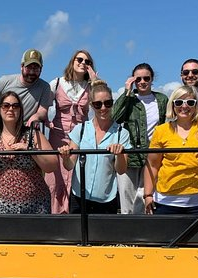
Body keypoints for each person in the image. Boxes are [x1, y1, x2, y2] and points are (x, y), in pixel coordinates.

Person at [0, 92, 58, 214]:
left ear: (20, 110)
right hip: (0, 205)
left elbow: (52, 165)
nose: (10, 109)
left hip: (36, 205)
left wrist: (31, 151)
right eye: (6, 105)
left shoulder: (33, 135)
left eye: (15, 106)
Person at [142, 85, 198, 214]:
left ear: (196, 105)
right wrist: (148, 195)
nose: (184, 106)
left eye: (190, 102)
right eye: (179, 102)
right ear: (172, 105)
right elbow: (153, 165)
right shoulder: (161, 131)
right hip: (167, 202)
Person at [58, 81, 130, 214]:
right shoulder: (80, 130)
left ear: (112, 103)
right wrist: (65, 157)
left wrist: (119, 154)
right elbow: (69, 165)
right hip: (79, 196)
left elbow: (121, 170)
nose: (103, 108)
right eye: (98, 104)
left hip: (106, 200)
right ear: (91, 105)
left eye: (107, 103)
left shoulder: (122, 133)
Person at [111, 63, 169, 214]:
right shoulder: (129, 99)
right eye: (138, 79)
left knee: (145, 198)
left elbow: (166, 125)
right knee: (127, 199)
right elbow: (114, 118)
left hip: (152, 157)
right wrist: (126, 92)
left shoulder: (162, 100)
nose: (142, 82)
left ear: (152, 79)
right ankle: (127, 235)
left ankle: (142, 234)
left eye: (146, 78)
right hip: (130, 156)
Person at [46, 49, 98, 214]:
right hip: (58, 135)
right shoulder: (57, 83)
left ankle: (74, 216)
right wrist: (46, 120)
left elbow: (103, 103)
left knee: (76, 175)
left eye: (87, 61)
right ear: (72, 61)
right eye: (80, 60)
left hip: (81, 137)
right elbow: (43, 104)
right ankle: (55, 216)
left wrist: (95, 80)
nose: (83, 63)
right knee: (56, 176)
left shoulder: (91, 86)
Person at [0, 49, 53, 126]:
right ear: (22, 66)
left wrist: (36, 116)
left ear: (41, 69)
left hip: (27, 128)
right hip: (3, 127)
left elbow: (43, 110)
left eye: (36, 68)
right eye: (29, 68)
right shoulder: (4, 81)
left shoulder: (45, 87)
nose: (32, 72)